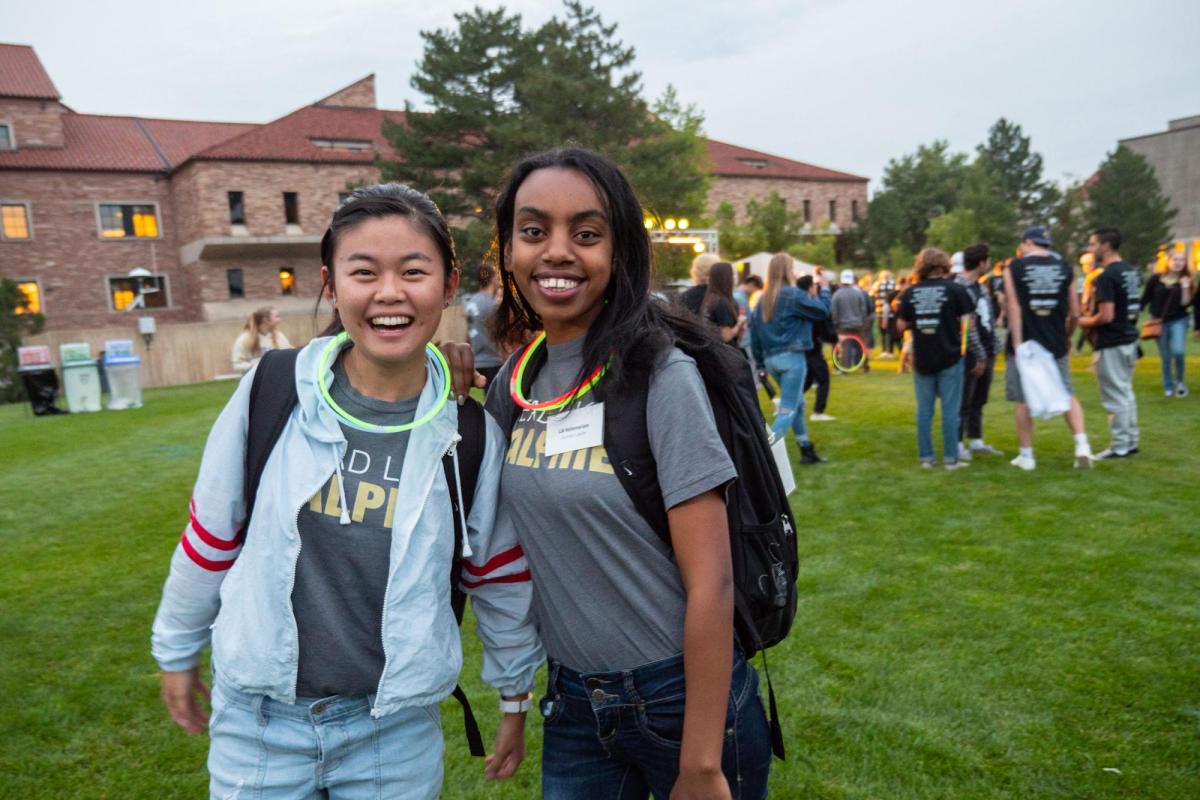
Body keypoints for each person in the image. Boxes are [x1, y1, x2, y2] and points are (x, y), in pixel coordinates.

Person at [151, 184, 542, 799]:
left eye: (413, 271)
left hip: (394, 732)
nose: (389, 293)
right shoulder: (272, 388)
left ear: (447, 284)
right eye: (364, 272)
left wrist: (515, 693)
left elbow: (495, 574)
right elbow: (211, 534)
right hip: (258, 725)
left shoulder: (470, 432)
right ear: (332, 285)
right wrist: (176, 648)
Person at [483, 149, 773, 799]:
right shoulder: (515, 385)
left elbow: (714, 582)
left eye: (586, 234)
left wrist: (701, 761)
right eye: (534, 232)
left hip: (680, 698)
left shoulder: (662, 377)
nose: (557, 251)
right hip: (574, 705)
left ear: (618, 254)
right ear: (508, 252)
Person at [1003, 226, 1095, 470]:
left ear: (1026, 243)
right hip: (1055, 340)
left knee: (1023, 399)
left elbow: (1013, 307)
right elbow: (1075, 311)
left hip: (1026, 341)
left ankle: (1027, 455)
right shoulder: (1065, 267)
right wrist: (1067, 336)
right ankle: (1082, 445)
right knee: (1067, 392)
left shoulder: (1014, 267)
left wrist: (1017, 343)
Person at [896, 248, 975, 469]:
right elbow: (968, 322)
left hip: (923, 357)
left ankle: (926, 458)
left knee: (924, 411)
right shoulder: (956, 290)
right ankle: (951, 460)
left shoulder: (910, 292)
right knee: (951, 411)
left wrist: (919, 323)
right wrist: (963, 344)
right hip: (950, 355)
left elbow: (901, 325)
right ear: (943, 265)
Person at [750, 253, 832, 464]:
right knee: (787, 409)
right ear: (788, 270)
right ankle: (761, 456)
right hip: (792, 358)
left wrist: (760, 363)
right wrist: (823, 289)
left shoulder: (763, 299)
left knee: (798, 403)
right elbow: (822, 312)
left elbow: (755, 335)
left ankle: (806, 448)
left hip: (771, 360)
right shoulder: (792, 295)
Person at [1080, 227, 1143, 458]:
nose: (1090, 249)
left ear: (1105, 246)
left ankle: (1119, 446)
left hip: (1112, 341)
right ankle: (1131, 440)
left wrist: (1083, 321)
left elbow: (1106, 315)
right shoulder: (1131, 271)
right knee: (1126, 392)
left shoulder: (1107, 276)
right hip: (1129, 339)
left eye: (1093, 244)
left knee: (1115, 396)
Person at [957, 243, 1003, 458]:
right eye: (988, 260)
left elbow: (988, 319)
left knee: (979, 397)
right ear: (982, 262)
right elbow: (967, 325)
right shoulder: (961, 287)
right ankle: (957, 443)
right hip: (970, 353)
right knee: (964, 398)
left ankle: (976, 439)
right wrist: (980, 354)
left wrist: (994, 344)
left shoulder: (982, 287)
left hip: (986, 349)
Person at [1140, 250, 1193, 397]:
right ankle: (1168, 385)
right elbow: (1146, 297)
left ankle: (1180, 382)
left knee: (1179, 351)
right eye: (1175, 260)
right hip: (1158, 321)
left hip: (1179, 320)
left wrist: (1185, 287)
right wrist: (1139, 310)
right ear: (1168, 262)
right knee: (1166, 356)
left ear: (1184, 263)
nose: (1178, 263)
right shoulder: (1156, 279)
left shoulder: (1186, 280)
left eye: (1181, 260)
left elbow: (1185, 303)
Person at [797, 273, 835, 421]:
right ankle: (818, 412)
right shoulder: (810, 305)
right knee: (824, 379)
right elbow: (823, 318)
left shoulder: (800, 303)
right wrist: (834, 338)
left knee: (807, 380)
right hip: (812, 348)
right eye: (815, 286)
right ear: (810, 288)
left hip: (805, 348)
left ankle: (787, 402)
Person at [465, 264, 505, 386]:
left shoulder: (470, 302)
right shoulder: (491, 304)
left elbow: (466, 333)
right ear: (492, 279)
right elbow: (500, 334)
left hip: (476, 360)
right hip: (492, 360)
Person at [831, 268, 873, 372]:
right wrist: (862, 321)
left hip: (843, 325)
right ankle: (865, 366)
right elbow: (863, 309)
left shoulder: (836, 294)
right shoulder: (858, 293)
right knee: (862, 344)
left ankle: (846, 368)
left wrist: (836, 324)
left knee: (847, 346)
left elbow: (834, 312)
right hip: (858, 324)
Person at [231, 306, 292, 373]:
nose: (280, 320)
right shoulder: (244, 339)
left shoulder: (279, 336)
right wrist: (256, 365)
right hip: (253, 381)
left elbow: (289, 355)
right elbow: (237, 365)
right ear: (265, 320)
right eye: (276, 316)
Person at [702, 261, 747, 344]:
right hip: (725, 353)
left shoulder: (710, 298)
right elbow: (726, 336)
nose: (735, 277)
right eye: (733, 274)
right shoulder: (721, 302)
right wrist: (740, 323)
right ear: (726, 278)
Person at [873, 270, 898, 357]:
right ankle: (891, 351)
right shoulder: (894, 284)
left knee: (882, 332)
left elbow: (871, 295)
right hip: (892, 311)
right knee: (891, 332)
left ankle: (884, 351)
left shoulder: (877, 284)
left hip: (880, 311)